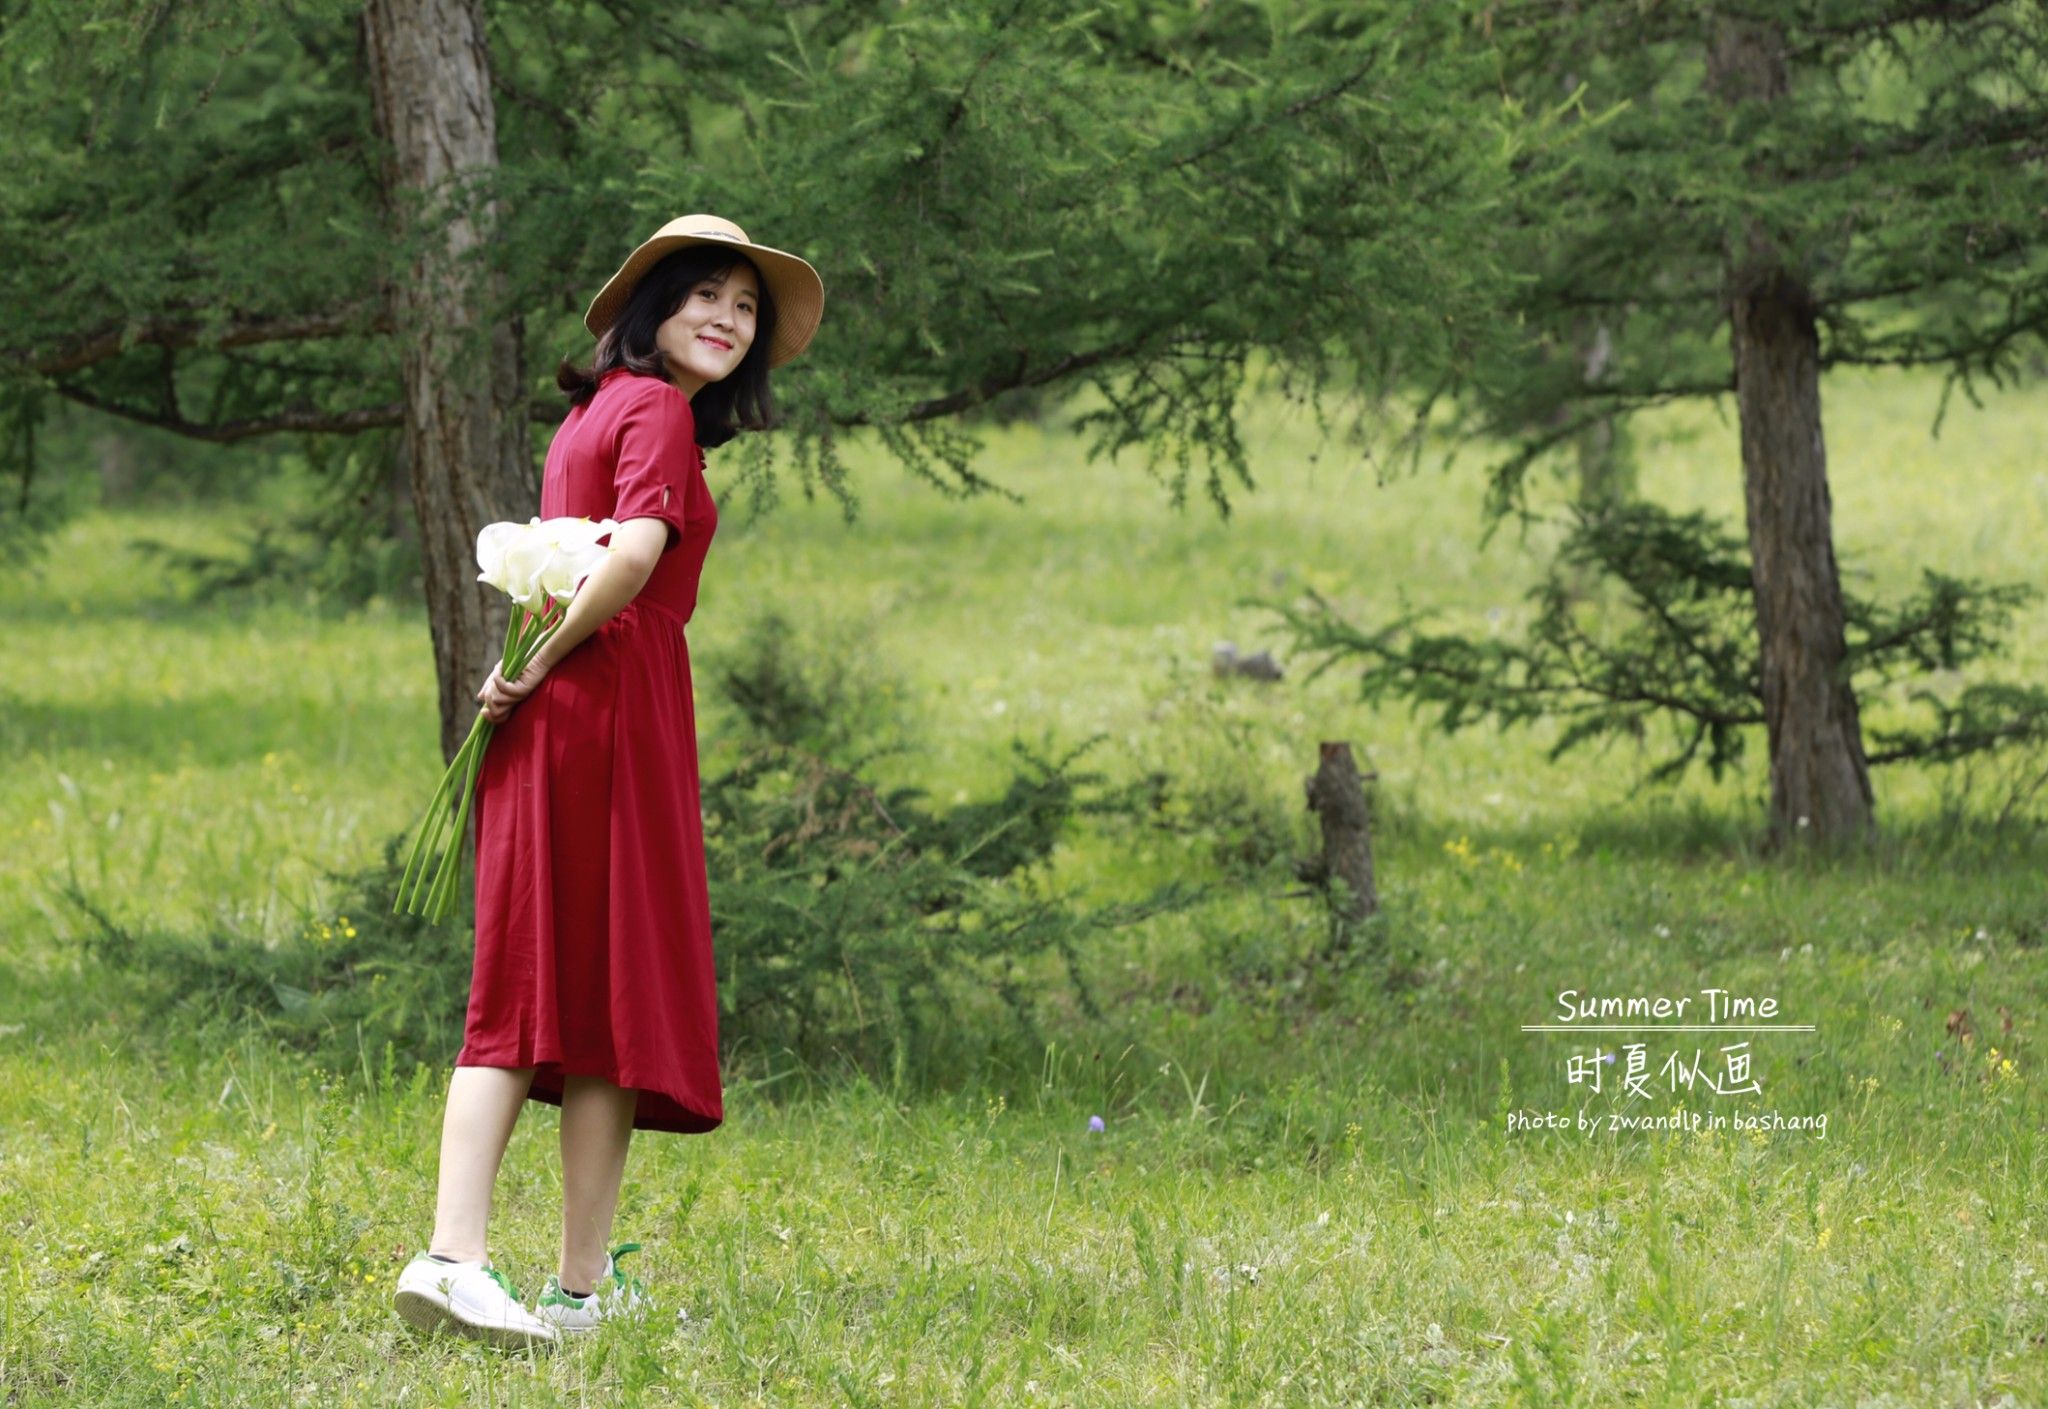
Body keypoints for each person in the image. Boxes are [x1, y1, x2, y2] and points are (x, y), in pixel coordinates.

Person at [391, 215, 825, 1349]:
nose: (729, 318)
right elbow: (628, 559)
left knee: (581, 997)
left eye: (746, 306)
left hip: (568, 703)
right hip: (608, 707)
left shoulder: (589, 416)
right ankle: (451, 1256)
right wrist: (532, 663)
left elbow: (557, 568)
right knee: (541, 990)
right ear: (654, 306)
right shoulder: (655, 410)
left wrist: (517, 664)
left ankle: (578, 1289)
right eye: (707, 295)